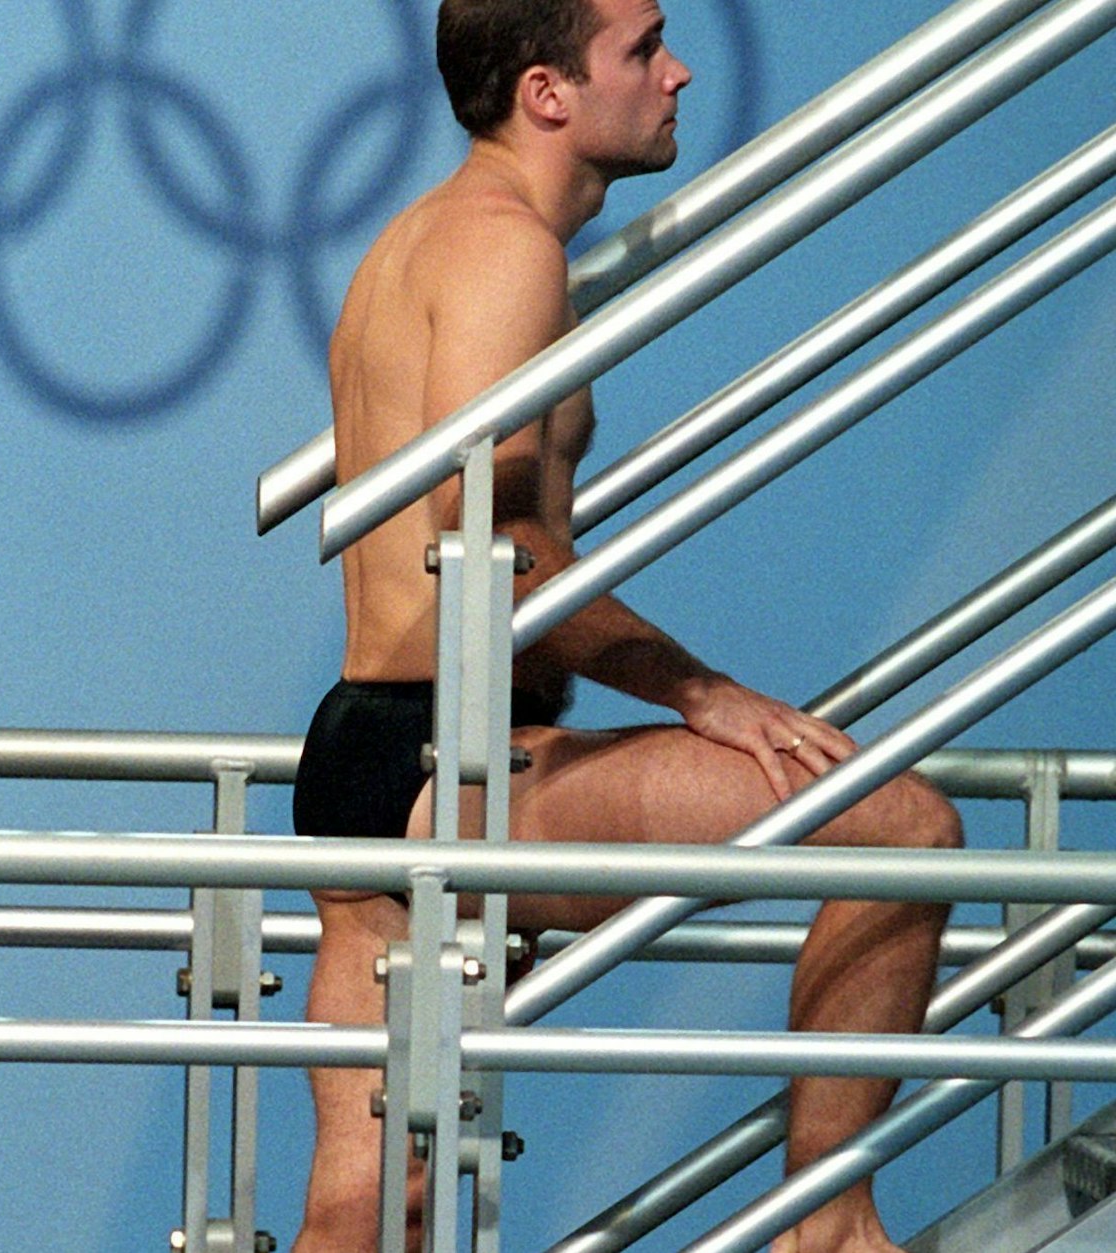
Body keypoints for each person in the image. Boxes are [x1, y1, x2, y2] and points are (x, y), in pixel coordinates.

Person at [290, 3, 961, 1250]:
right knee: (900, 825)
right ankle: (828, 1223)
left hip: (365, 756)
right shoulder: (503, 251)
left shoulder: (419, 242)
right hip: (459, 758)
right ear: (547, 92)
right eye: (643, 47)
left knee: (365, 1208)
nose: (678, 71)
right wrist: (694, 690)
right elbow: (485, 537)